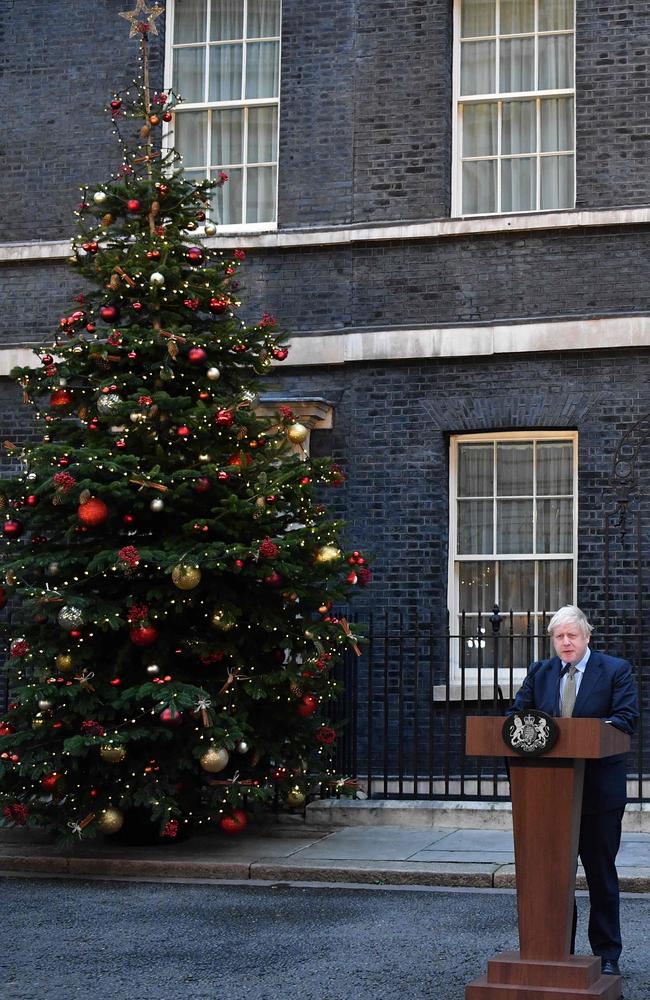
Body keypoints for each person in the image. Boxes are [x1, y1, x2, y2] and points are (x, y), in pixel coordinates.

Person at [510, 605, 639, 976]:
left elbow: (626, 719)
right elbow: (517, 715)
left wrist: (590, 733)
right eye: (558, 637)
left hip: (598, 795)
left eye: (572, 636)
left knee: (600, 877)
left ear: (586, 636)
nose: (565, 643)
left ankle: (607, 954)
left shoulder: (615, 670)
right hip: (547, 797)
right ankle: (556, 950)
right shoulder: (541, 671)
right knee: (552, 877)